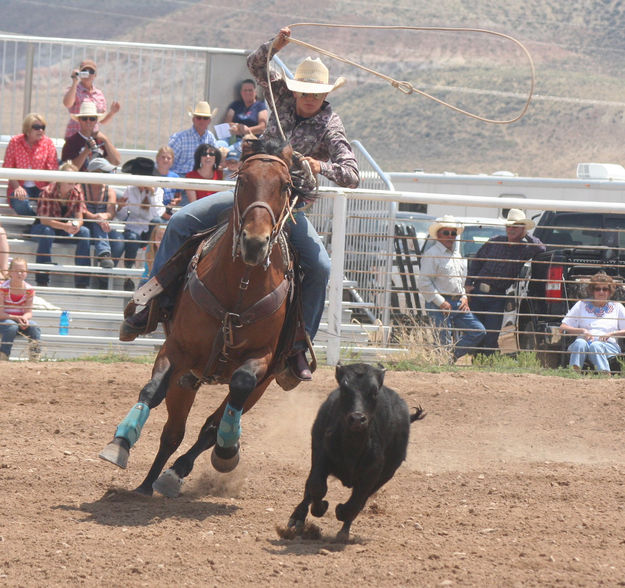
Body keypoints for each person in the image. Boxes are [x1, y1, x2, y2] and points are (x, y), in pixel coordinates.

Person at [121, 26, 360, 381]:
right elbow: (256, 63)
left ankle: (298, 344)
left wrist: (318, 165)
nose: (309, 98)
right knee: (182, 220)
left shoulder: (330, 124)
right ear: (296, 90)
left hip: (288, 209)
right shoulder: (279, 94)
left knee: (320, 266)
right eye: (305, 91)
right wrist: (275, 45)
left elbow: (351, 173)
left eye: (316, 93)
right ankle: (154, 301)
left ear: (324, 94)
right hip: (248, 195)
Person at [467, 209, 546, 355]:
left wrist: (526, 235)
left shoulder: (525, 249)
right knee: (477, 331)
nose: (511, 229)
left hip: (497, 296)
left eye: (515, 227)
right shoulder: (495, 241)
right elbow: (476, 261)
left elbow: (541, 247)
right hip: (478, 292)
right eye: (509, 226)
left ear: (523, 229)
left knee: (491, 334)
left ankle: (486, 362)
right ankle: (476, 360)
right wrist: (468, 284)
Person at [417, 216, 486, 361]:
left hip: (458, 302)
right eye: (446, 233)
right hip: (439, 304)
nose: (450, 236)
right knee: (443, 340)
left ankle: (447, 357)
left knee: (478, 331)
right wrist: (440, 301)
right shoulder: (432, 254)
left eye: (453, 233)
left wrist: (464, 297)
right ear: (438, 235)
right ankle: (444, 360)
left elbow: (460, 281)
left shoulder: (456, 254)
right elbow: (424, 282)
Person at [30, 162, 91, 288]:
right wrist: (66, 227)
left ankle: (82, 282)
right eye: (69, 180)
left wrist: (76, 225)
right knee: (47, 231)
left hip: (62, 228)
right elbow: (44, 220)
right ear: (60, 179)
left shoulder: (77, 191)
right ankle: (42, 279)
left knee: (84, 232)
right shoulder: (47, 192)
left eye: (74, 180)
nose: (73, 183)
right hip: (43, 228)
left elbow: (80, 217)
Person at [116, 158, 166, 291]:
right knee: (132, 238)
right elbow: (121, 217)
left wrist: (152, 194)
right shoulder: (130, 189)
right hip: (134, 228)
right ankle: (129, 274)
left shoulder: (158, 191)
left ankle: (152, 270)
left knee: (157, 223)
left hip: (150, 230)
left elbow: (158, 213)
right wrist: (120, 207)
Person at [560, 272, 625, 373]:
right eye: (597, 289)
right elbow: (563, 327)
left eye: (605, 289)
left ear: (610, 291)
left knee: (596, 346)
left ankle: (604, 373)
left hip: (608, 346)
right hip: (584, 344)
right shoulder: (581, 305)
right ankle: (573, 373)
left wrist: (612, 334)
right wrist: (582, 331)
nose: (601, 292)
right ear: (592, 291)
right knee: (579, 342)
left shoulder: (617, 307)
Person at [3, 113, 59, 216]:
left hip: (42, 188)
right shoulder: (15, 142)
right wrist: (17, 187)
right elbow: (8, 167)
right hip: (19, 185)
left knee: (51, 202)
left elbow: (53, 168)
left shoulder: (48, 143)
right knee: (20, 203)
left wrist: (49, 189)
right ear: (28, 129)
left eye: (43, 127)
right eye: (36, 127)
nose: (40, 130)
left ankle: (37, 224)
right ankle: (36, 222)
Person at [82, 158, 124, 288]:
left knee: (119, 242)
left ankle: (104, 276)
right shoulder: (81, 188)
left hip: (101, 224)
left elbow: (110, 213)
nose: (108, 175)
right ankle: (104, 255)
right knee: (96, 225)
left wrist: (102, 216)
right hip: (86, 223)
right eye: (105, 172)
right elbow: (81, 210)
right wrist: (97, 218)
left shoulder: (109, 191)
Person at [62, 59, 120, 139]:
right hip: (74, 135)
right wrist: (74, 81)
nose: (88, 74)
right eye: (85, 71)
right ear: (80, 73)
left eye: (91, 72)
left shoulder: (99, 94)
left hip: (91, 136)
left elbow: (102, 120)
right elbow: (67, 103)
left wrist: (112, 113)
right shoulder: (74, 90)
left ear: (95, 75)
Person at [61, 101, 121, 172]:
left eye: (92, 118)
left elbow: (116, 161)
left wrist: (106, 140)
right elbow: (70, 170)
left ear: (96, 121)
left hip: (100, 181)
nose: (88, 121)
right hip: (80, 181)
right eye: (84, 118)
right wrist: (86, 151)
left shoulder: (101, 140)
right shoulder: (71, 142)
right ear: (79, 120)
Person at [0, 258, 41, 361]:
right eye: (16, 271)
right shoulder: (2, 288)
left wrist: (25, 319)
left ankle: (34, 356)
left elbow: (28, 312)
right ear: (10, 272)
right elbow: (0, 313)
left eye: (22, 271)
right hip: (3, 322)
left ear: (26, 273)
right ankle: (4, 355)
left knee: (34, 326)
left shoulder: (29, 290)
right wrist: (18, 318)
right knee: (11, 326)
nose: (19, 273)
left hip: (17, 321)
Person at [168, 101, 217, 176]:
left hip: (203, 178)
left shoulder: (211, 138)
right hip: (180, 177)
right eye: (199, 118)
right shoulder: (179, 138)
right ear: (193, 120)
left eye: (205, 118)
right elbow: (167, 161)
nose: (202, 121)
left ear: (209, 121)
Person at [155, 145, 181, 214]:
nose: (165, 160)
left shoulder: (175, 177)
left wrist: (176, 201)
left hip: (169, 209)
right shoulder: (152, 175)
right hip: (154, 210)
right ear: (157, 159)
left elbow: (178, 196)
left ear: (172, 161)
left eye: (169, 158)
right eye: (163, 157)